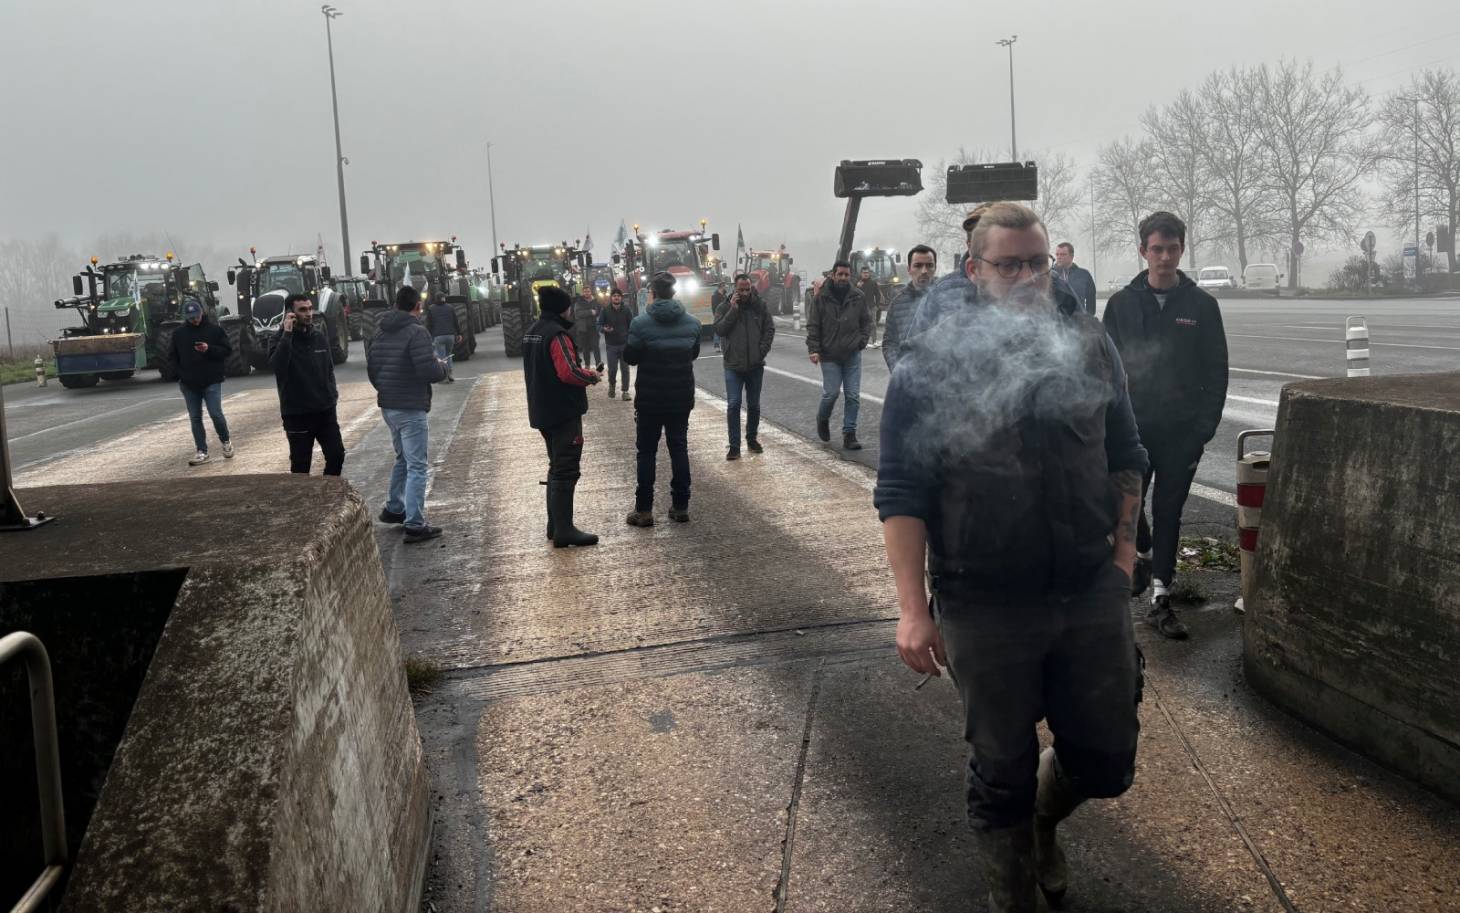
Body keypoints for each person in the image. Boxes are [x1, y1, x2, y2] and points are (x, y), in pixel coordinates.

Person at [876, 201, 1148, 912]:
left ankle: (1044, 819)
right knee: (1002, 770)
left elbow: (1127, 452)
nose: (1030, 277)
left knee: (1106, 758)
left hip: (1090, 587)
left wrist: (1123, 557)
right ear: (974, 270)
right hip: (984, 598)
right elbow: (901, 490)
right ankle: (1013, 891)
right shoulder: (927, 365)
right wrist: (912, 610)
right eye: (1010, 264)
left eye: (1037, 263)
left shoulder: (1089, 342)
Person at [1103, 211, 1229, 640]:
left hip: (1182, 432)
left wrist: (1204, 428)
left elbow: (1217, 371)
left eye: (1172, 248)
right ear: (1143, 251)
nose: (1164, 257)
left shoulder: (1202, 306)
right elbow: (1104, 369)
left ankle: (1160, 596)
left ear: (1181, 249)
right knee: (1129, 507)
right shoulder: (1121, 304)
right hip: (1132, 431)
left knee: (1170, 509)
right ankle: (1142, 552)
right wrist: (1108, 424)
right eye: (1156, 249)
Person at [367, 286, 449, 544]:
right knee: (417, 465)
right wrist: (442, 367)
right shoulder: (417, 332)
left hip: (389, 405)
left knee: (402, 458)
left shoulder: (379, 331)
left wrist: (386, 389)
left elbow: (373, 369)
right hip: (410, 406)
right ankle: (415, 523)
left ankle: (394, 508)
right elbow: (427, 371)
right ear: (417, 306)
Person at [523, 286, 600, 547]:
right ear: (562, 308)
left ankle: (554, 524)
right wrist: (591, 376)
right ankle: (564, 529)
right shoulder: (557, 335)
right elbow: (568, 372)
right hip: (563, 410)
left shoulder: (532, 332)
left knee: (556, 465)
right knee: (566, 468)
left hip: (542, 408)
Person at [623, 271, 701, 526]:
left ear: (652, 294)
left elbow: (630, 357)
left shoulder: (640, 324)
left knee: (646, 452)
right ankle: (681, 506)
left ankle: (644, 510)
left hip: (650, 399)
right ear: (674, 293)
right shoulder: (692, 323)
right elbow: (693, 353)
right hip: (680, 397)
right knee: (678, 447)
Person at [272, 292, 344, 477]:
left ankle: (326, 496)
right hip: (297, 414)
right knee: (301, 468)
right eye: (302, 310)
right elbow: (278, 366)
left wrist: (331, 396)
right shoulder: (279, 339)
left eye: (310, 309)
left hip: (325, 411)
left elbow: (328, 369)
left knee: (337, 455)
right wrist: (287, 334)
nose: (309, 313)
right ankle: (305, 503)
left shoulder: (319, 337)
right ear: (290, 313)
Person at [806, 260, 871, 450]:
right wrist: (814, 349)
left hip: (852, 354)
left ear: (850, 276)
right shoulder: (821, 298)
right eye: (840, 274)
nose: (843, 278)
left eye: (846, 275)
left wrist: (862, 341)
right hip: (829, 355)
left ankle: (849, 434)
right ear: (833, 275)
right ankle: (822, 418)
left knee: (853, 396)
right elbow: (813, 325)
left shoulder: (858, 297)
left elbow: (866, 322)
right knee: (831, 394)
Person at [713, 272, 775, 460]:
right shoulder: (724, 306)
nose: (746, 292)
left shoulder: (760, 305)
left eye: (748, 289)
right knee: (733, 405)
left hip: (755, 365)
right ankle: (734, 446)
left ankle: (752, 438)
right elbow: (720, 329)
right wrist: (733, 310)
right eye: (741, 289)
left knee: (754, 405)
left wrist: (761, 351)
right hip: (733, 365)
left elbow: (769, 329)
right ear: (735, 288)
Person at [173, 299, 235, 466]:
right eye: (191, 317)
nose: (195, 319)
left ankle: (226, 440)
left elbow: (227, 350)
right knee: (195, 417)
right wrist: (180, 375)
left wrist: (209, 349)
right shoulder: (178, 334)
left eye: (197, 316)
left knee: (215, 413)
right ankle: (202, 451)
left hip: (211, 380)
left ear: (202, 313)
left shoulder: (215, 331)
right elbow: (173, 356)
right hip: (189, 383)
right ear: (186, 317)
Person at [881, 244, 937, 372]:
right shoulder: (897, 303)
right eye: (918, 265)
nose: (924, 271)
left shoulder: (948, 297)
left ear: (935, 268)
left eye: (929, 265)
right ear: (909, 269)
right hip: (909, 382)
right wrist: (897, 369)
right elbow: (890, 343)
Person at [596, 287, 634, 400]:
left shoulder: (627, 310)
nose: (616, 297)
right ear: (611, 298)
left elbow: (632, 325)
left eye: (618, 296)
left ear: (621, 298)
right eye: (614, 296)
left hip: (624, 344)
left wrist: (631, 340)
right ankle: (612, 385)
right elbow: (598, 325)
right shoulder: (605, 310)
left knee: (625, 369)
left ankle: (625, 391)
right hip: (611, 345)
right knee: (612, 369)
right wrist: (604, 329)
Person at [426, 292, 461, 383]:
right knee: (448, 356)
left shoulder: (431, 308)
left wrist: (428, 336)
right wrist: (459, 334)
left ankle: (444, 377)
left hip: (438, 336)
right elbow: (455, 321)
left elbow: (429, 324)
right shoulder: (450, 307)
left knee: (442, 357)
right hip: (450, 336)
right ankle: (449, 374)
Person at [1053, 242, 1097, 315]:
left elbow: (1091, 301)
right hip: (1055, 322)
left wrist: (1088, 319)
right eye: (1057, 254)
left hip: (1078, 322)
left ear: (1071, 256)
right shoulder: (1048, 275)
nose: (1059, 257)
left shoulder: (1084, 275)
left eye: (1063, 254)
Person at [572, 285, 603, 371]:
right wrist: (590, 312)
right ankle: (587, 367)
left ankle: (599, 368)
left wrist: (596, 313)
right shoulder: (578, 302)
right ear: (583, 293)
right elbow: (578, 314)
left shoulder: (595, 301)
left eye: (588, 291)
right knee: (585, 349)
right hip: (583, 329)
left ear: (591, 292)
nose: (587, 293)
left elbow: (599, 311)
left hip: (594, 328)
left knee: (596, 348)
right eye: (585, 292)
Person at [856, 265, 886, 346]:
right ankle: (862, 342)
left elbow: (878, 294)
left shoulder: (873, 283)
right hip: (861, 307)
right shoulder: (858, 283)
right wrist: (857, 287)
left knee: (873, 324)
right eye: (864, 273)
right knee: (861, 325)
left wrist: (877, 305)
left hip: (871, 306)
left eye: (867, 273)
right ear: (861, 273)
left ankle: (874, 341)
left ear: (869, 274)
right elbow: (853, 295)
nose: (866, 274)